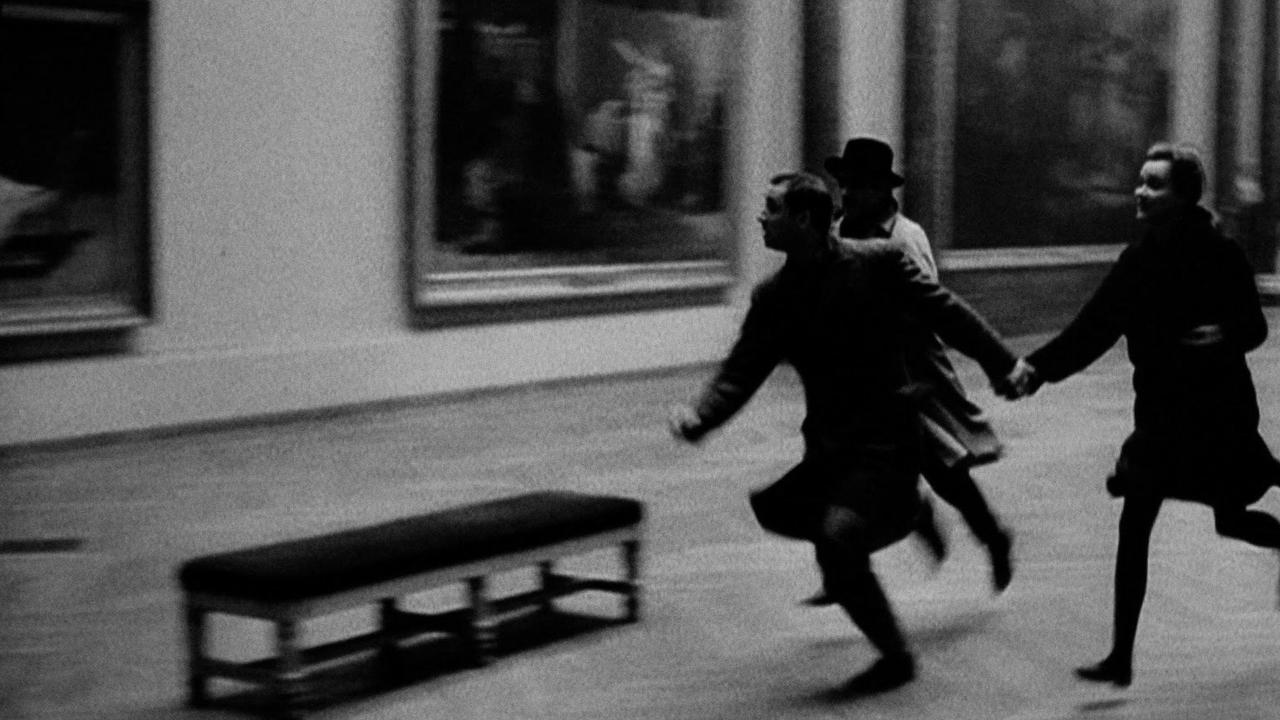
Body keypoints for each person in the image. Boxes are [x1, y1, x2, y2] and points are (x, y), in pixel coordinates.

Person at [669, 171, 1019, 693]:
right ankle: (909, 516)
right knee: (788, 517)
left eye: (772, 208)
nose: (761, 217)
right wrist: (702, 417)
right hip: (831, 445)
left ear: (804, 219)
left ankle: (895, 657)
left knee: (837, 542)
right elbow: (740, 371)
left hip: (889, 439)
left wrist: (1002, 362)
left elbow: (948, 313)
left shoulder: (879, 262)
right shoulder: (774, 296)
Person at [1006, 141, 1280, 687]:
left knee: (1230, 519)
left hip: (1217, 414)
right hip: (1158, 417)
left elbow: (1254, 326)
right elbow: (1093, 329)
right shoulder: (1138, 261)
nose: (1139, 191)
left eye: (1154, 184)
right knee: (1134, 526)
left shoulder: (1222, 254)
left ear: (1183, 196)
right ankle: (1120, 657)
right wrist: (1035, 370)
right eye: (1140, 180)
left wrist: (1222, 333)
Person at [824, 137, 1015, 595]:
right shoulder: (837, 231)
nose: (846, 193)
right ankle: (849, 558)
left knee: (945, 473)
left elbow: (929, 306)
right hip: (860, 375)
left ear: (880, 190)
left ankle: (992, 536)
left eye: (856, 185)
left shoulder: (906, 238)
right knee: (854, 465)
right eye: (843, 184)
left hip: (912, 371)